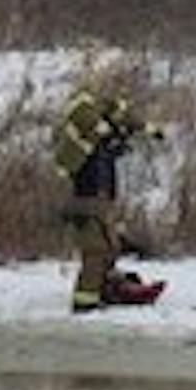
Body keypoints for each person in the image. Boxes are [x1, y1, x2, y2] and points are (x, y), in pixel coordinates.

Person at [53, 84, 160, 313]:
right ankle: (85, 302)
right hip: (87, 203)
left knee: (109, 248)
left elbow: (112, 143)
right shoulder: (86, 147)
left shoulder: (100, 148)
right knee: (95, 252)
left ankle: (106, 289)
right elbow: (96, 146)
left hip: (101, 203)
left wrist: (139, 131)